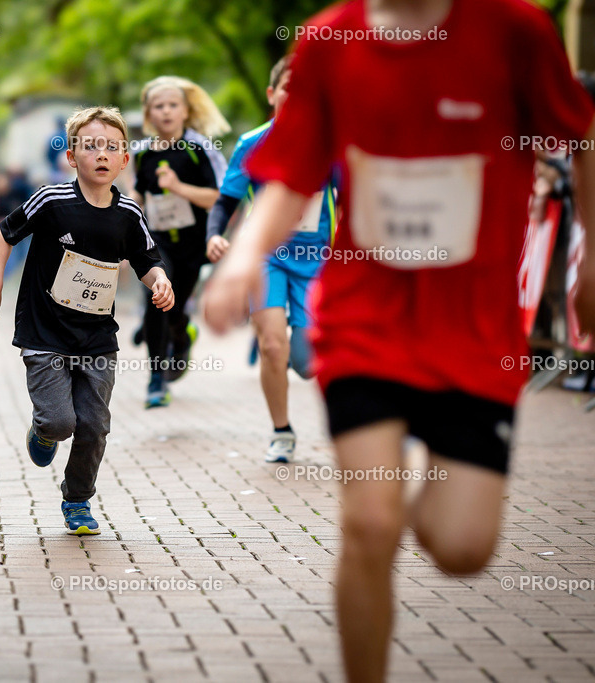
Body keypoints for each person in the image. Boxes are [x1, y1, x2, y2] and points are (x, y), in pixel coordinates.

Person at [202, 1, 595, 681]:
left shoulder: (515, 29)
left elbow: (581, 133)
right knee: (370, 521)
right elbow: (290, 173)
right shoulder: (330, 39)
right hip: (364, 319)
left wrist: (591, 254)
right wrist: (240, 259)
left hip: (474, 331)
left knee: (462, 546)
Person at [0, 106, 174, 534]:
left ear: (124, 159)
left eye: (112, 147)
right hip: (44, 331)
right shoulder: (51, 200)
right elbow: (4, 234)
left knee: (94, 424)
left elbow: (147, 261)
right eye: (91, 146)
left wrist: (160, 282)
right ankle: (43, 431)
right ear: (71, 157)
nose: (102, 154)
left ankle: (78, 499)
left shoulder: (129, 214)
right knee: (61, 422)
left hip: (98, 336)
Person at [206, 55, 336, 463]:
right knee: (273, 344)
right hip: (266, 259)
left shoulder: (331, 144)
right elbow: (225, 202)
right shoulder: (251, 145)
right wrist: (214, 236)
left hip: (316, 261)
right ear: (272, 93)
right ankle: (281, 431)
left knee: (307, 360)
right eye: (288, 87)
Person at [131, 75, 228, 408]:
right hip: (156, 243)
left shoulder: (199, 149)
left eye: (173, 105)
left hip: (192, 245)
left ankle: (181, 332)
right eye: (159, 106)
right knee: (158, 294)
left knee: (174, 307)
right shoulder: (141, 154)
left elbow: (217, 198)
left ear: (185, 111)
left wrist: (177, 187)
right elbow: (138, 195)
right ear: (148, 115)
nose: (166, 112)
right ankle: (156, 380)